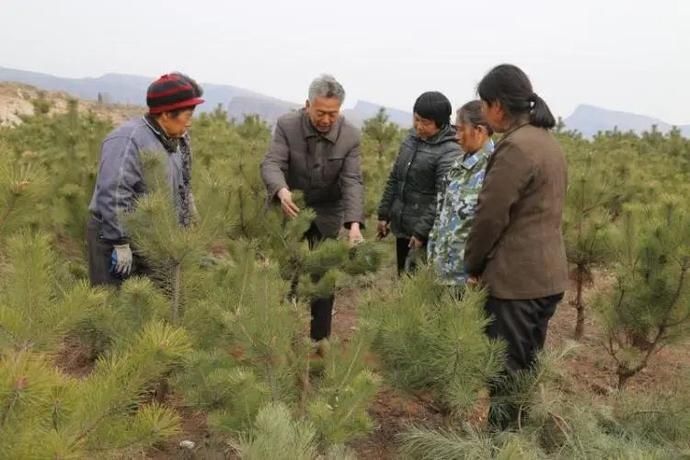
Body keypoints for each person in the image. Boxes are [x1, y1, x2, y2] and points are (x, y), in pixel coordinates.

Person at [463, 64, 568, 429]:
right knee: (527, 368)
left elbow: (490, 217)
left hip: (516, 282)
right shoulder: (548, 143)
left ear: (496, 106)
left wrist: (472, 265)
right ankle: (522, 439)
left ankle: (503, 446)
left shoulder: (516, 148)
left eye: (484, 105)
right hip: (548, 276)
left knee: (506, 375)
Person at [260, 74, 365, 343]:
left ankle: (319, 344)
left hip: (327, 214)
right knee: (287, 275)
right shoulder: (287, 125)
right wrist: (281, 191)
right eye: (321, 112)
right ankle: (279, 339)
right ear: (307, 104)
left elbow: (352, 181)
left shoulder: (350, 136)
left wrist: (354, 224)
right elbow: (272, 163)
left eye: (333, 113)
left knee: (322, 278)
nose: (327, 119)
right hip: (290, 209)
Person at [87, 72, 204, 286]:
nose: (189, 124)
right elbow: (114, 192)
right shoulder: (127, 139)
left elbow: (183, 182)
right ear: (167, 114)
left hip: (154, 237)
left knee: (147, 305)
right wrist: (119, 241)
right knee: (113, 302)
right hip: (115, 239)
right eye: (187, 116)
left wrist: (189, 209)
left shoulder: (178, 141)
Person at [376, 91, 461, 275]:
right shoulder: (411, 139)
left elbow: (442, 197)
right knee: (403, 279)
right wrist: (384, 214)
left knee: (418, 286)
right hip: (404, 227)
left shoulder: (450, 151)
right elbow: (395, 178)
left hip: (426, 235)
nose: (419, 126)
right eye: (417, 119)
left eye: (426, 122)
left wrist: (421, 232)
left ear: (441, 123)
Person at [427, 100, 494, 289]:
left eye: (460, 130)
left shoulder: (494, 168)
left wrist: (478, 271)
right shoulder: (459, 165)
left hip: (468, 280)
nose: (456, 137)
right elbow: (442, 214)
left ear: (479, 131)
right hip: (442, 273)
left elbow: (491, 225)